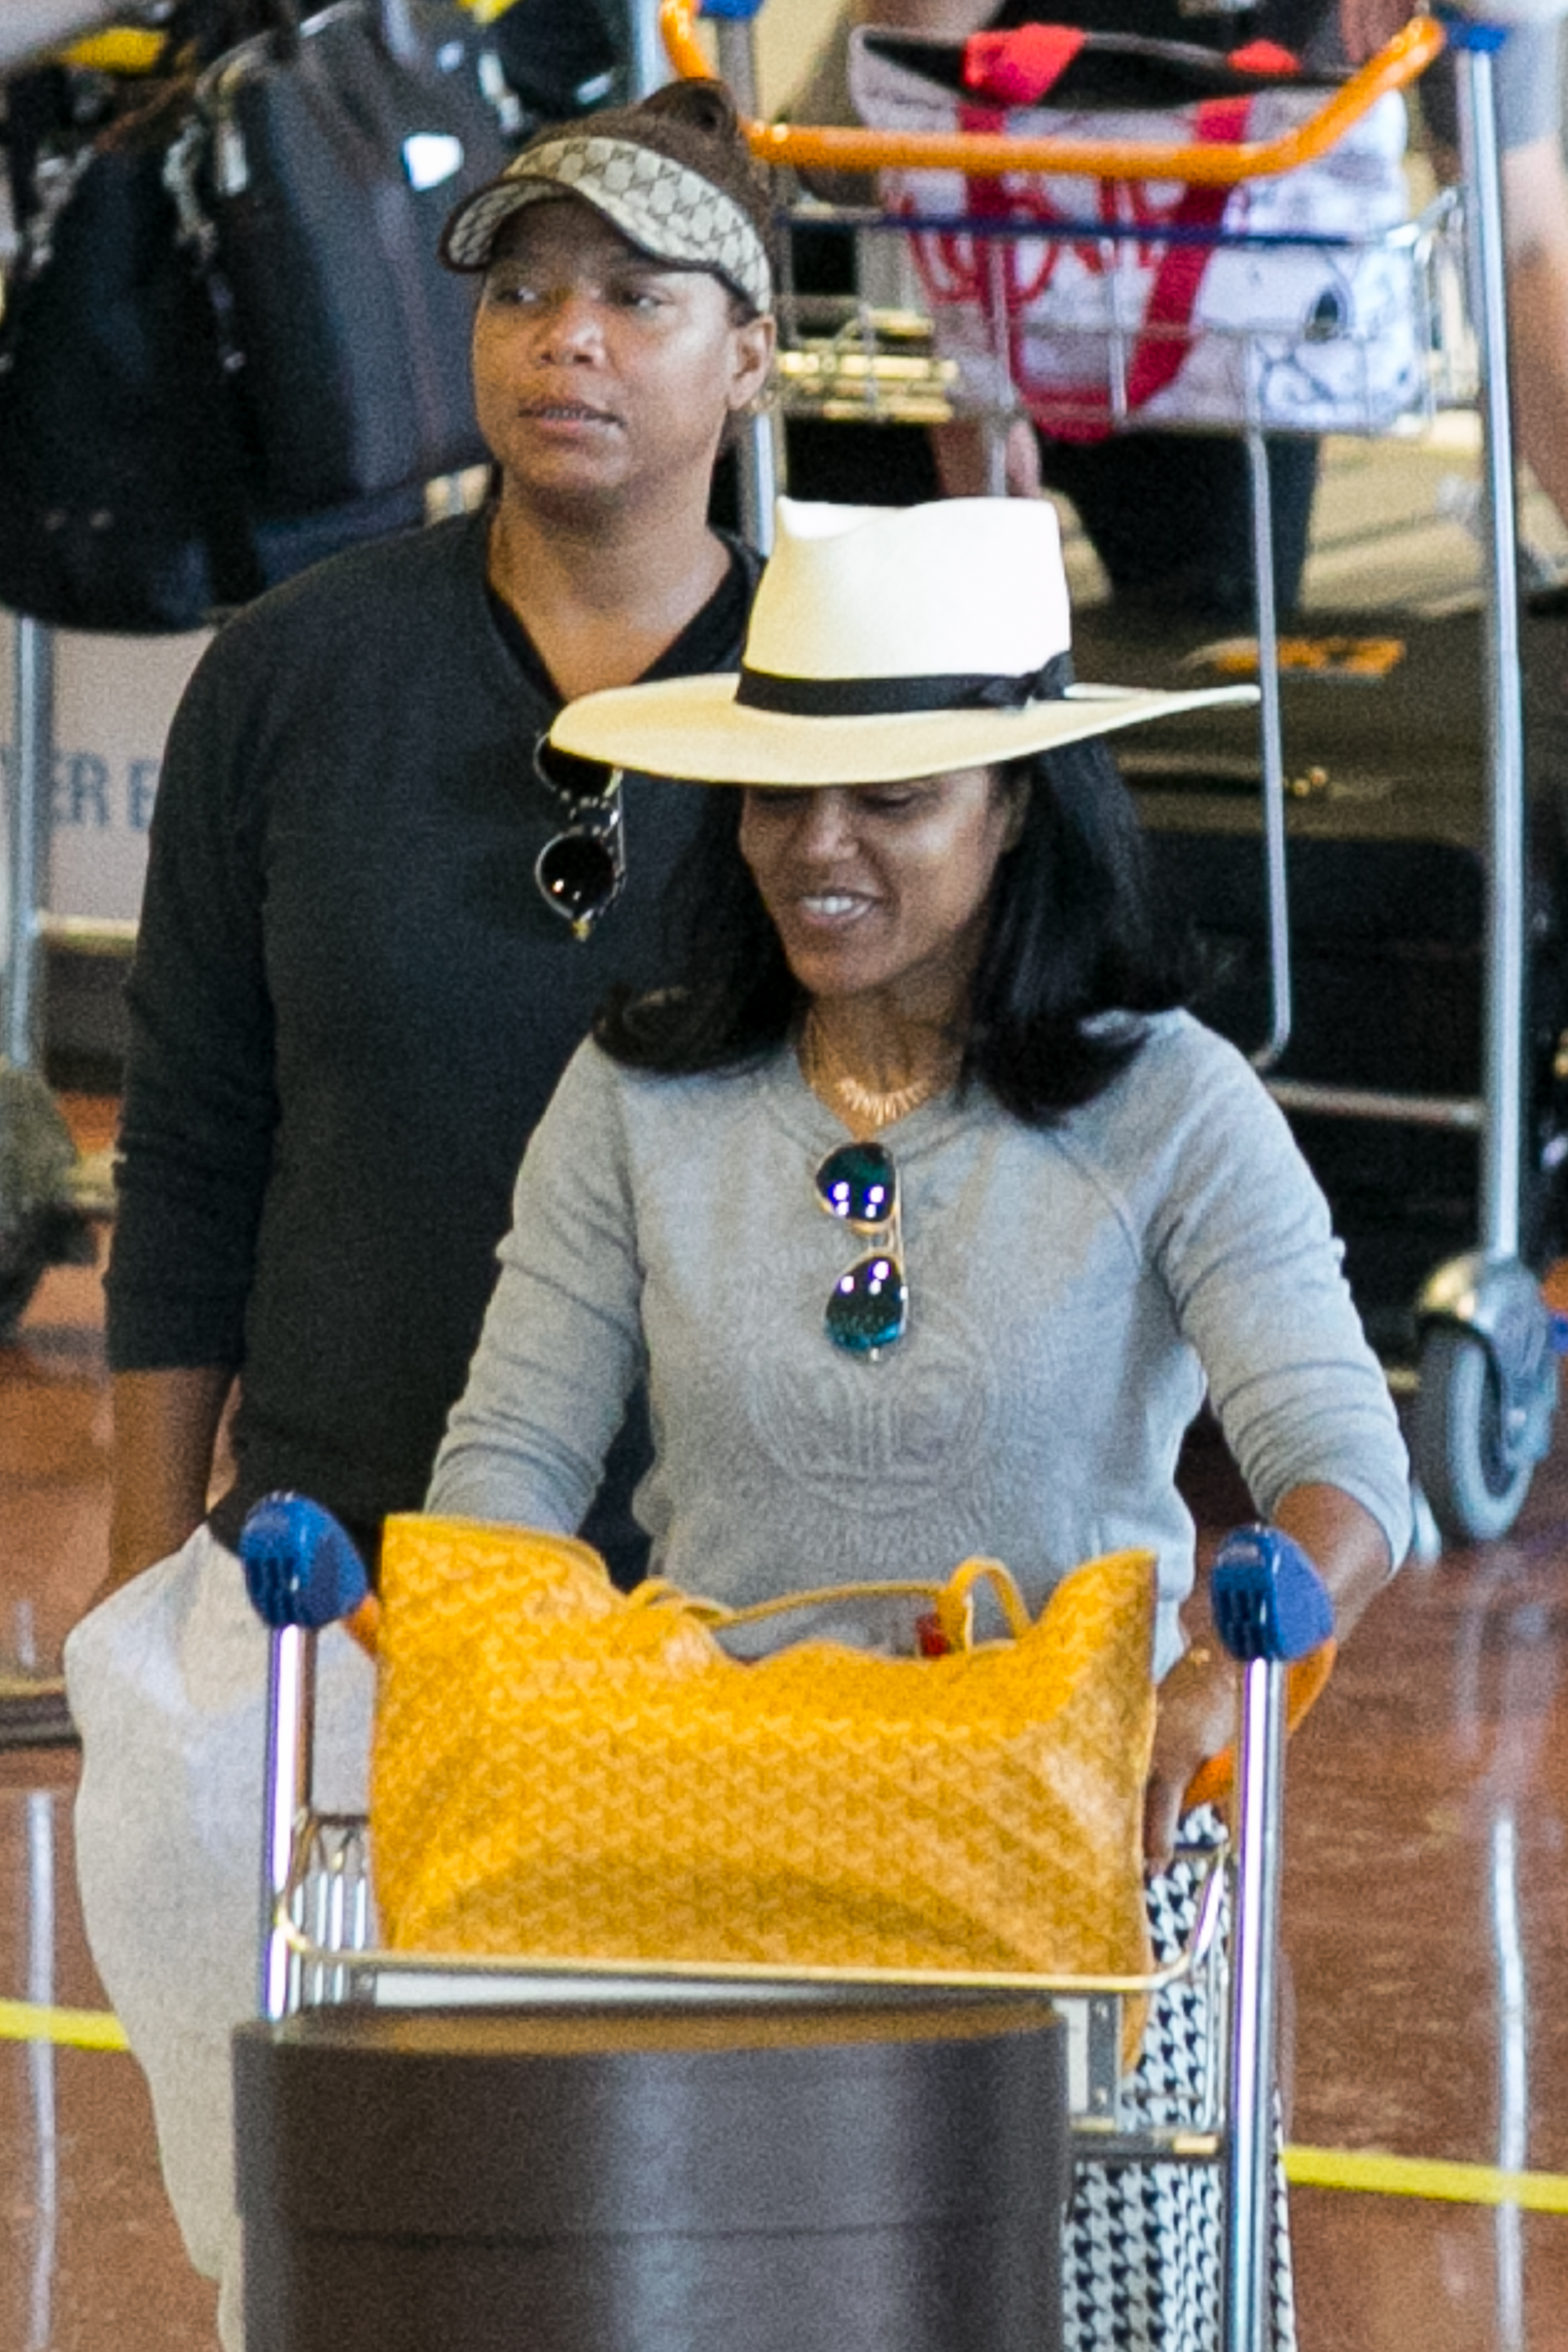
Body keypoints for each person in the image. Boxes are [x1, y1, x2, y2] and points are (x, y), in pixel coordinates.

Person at [427, 494, 1414, 2350]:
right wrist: (482, 1665)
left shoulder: (1170, 1108)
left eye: (889, 800)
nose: (818, 847)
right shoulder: (637, 1097)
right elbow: (509, 1468)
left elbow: (1343, 1471)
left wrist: (1224, 1673)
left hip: (1069, 1866)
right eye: (777, 797)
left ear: (1015, 803)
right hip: (707, 1853)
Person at [60, 78, 775, 2349]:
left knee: (709, 2243)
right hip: (352, 1599)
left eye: (636, 298)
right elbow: (192, 1142)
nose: (567, 339)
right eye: (525, 292)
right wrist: (146, 1591)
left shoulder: (850, 714)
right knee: (364, 2249)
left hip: (744, 1616)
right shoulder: (294, 674)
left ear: (751, 355)